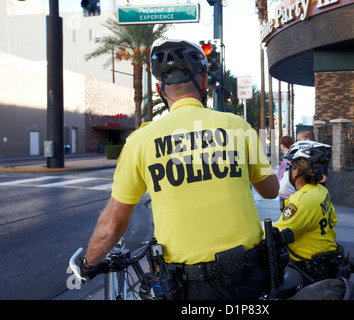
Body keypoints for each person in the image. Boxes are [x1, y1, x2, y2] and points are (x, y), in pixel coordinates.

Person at [79, 39, 279, 300]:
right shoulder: (237, 126)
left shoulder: (140, 141)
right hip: (247, 277)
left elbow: (111, 226)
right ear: (204, 82)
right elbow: (272, 190)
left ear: (158, 88)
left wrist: (87, 265)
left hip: (187, 287)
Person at [273, 141, 341, 286]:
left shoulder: (302, 199)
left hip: (307, 268)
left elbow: (278, 233)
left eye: (290, 167)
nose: (288, 171)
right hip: (328, 259)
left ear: (296, 171)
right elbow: (333, 220)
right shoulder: (321, 191)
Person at [277, 135, 295, 210]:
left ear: (282, 145)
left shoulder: (287, 158)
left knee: (285, 212)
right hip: (289, 190)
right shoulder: (292, 156)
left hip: (285, 191)